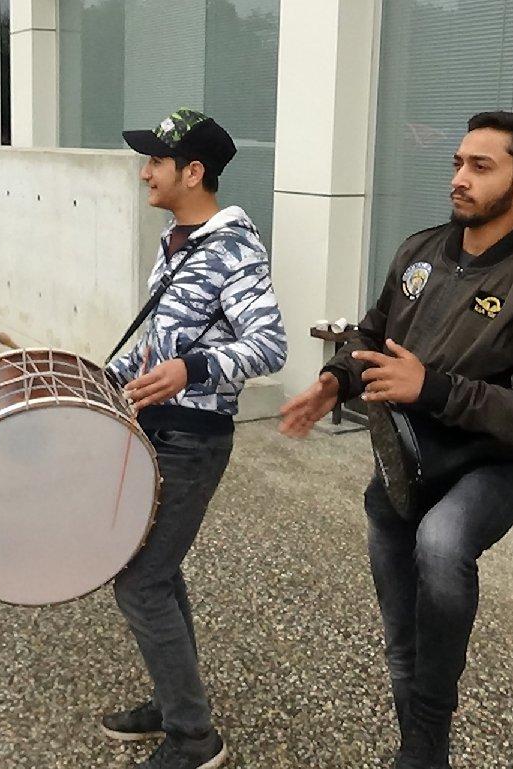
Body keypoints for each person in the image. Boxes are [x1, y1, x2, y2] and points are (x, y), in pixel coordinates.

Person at [280, 111, 513, 769]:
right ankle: (421, 746)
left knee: (441, 545)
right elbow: (368, 334)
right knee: (401, 626)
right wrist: (335, 381)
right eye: (457, 163)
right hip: (402, 466)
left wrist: (431, 388)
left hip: (488, 463)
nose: (459, 178)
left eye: (480, 166)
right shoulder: (419, 251)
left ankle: (427, 732)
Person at [104, 109, 287, 769]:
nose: (144, 172)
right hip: (158, 428)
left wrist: (193, 369)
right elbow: (160, 342)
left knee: (139, 580)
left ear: (192, 171)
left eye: (156, 160)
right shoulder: (176, 239)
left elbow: (270, 344)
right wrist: (103, 378)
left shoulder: (233, 247)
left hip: (193, 438)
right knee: (157, 570)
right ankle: (172, 698)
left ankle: (192, 736)